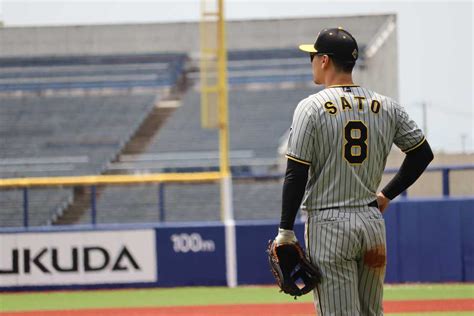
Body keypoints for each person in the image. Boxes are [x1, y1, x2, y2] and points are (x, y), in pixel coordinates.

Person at [273, 27, 434, 315]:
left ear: (324, 61)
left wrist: (285, 230)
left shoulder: (311, 108)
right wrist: (386, 194)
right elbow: (422, 153)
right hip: (372, 223)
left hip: (329, 224)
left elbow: (296, 173)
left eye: (313, 55)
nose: (311, 61)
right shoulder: (386, 105)